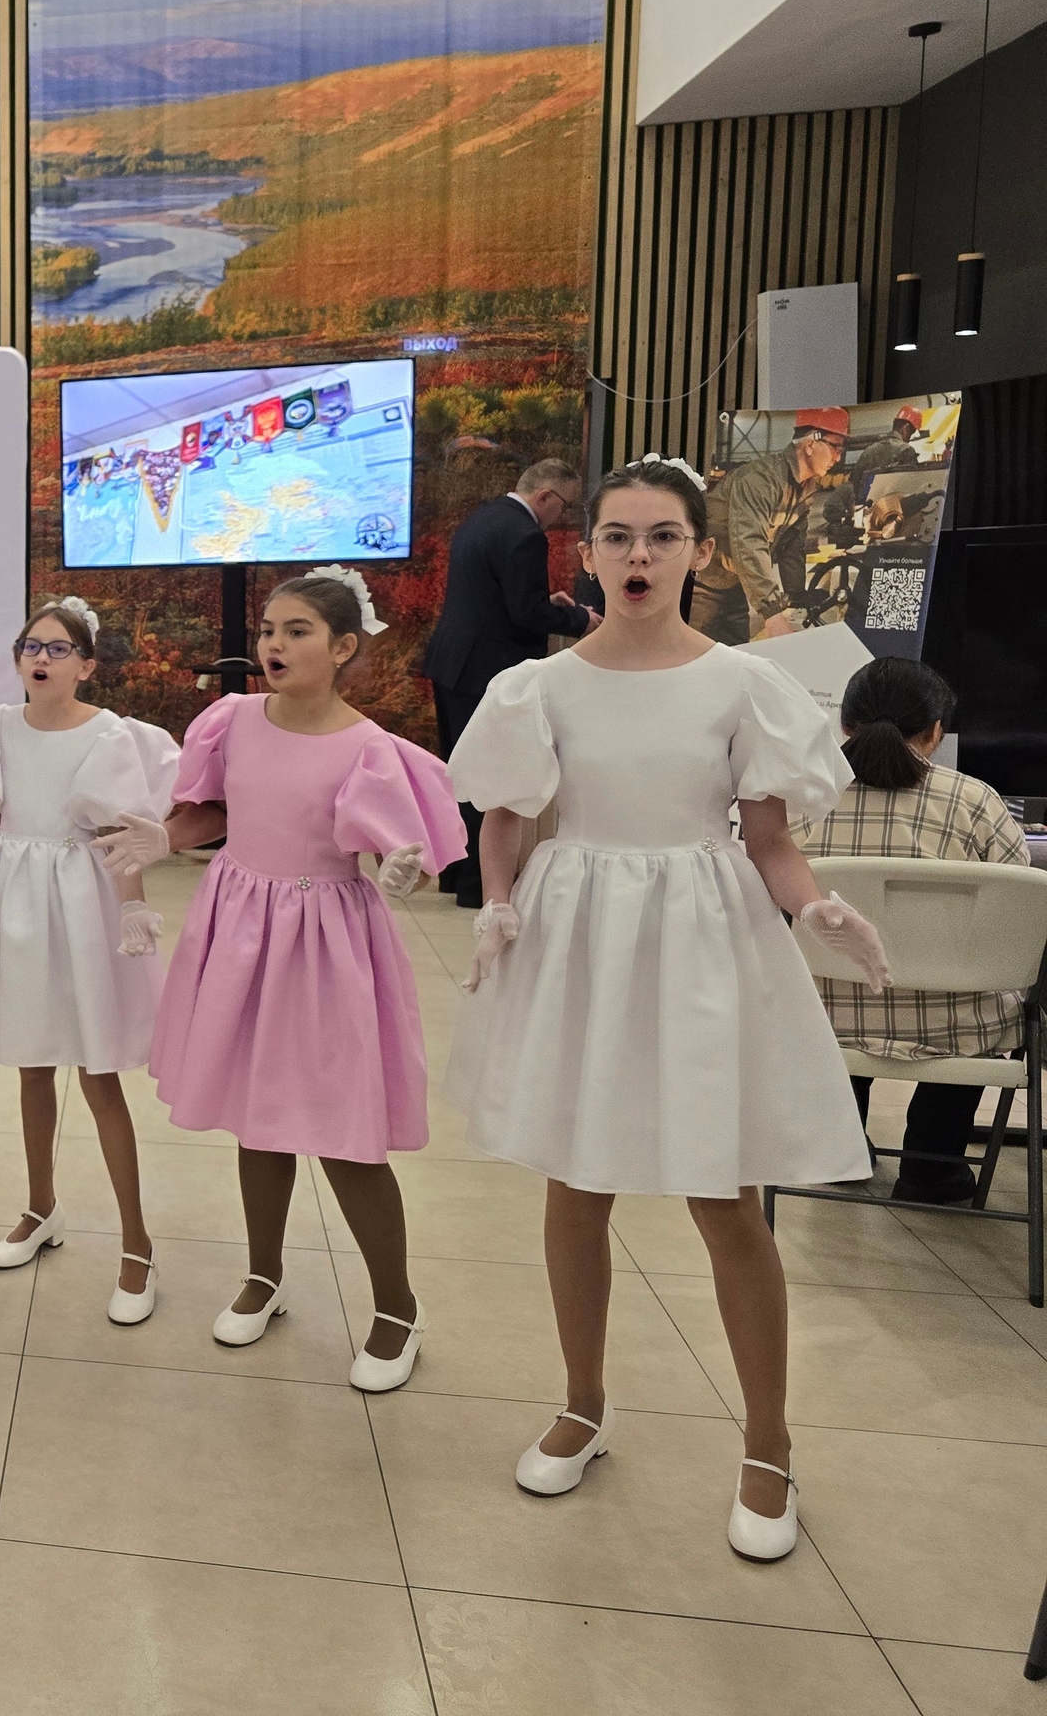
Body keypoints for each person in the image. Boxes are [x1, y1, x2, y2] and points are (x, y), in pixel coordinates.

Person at [449, 455, 893, 1563]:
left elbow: (769, 838)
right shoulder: (539, 687)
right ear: (587, 552)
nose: (638, 555)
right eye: (617, 536)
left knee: (722, 1192)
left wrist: (815, 907)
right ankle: (582, 1403)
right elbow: (507, 817)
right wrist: (496, 902)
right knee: (575, 1180)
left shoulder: (740, 683)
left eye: (660, 536)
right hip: (580, 929)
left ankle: (768, 1443)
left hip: (698, 930)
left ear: (698, 550)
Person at [99, 569, 465, 1391]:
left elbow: (395, 850)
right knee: (257, 1119)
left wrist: (398, 868)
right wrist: (165, 838)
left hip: (326, 942)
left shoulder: (370, 749)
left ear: (342, 648)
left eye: (297, 631)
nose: (274, 643)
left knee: (343, 1133)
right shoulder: (232, 721)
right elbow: (214, 811)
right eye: (269, 629)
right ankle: (264, 1274)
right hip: (241, 928)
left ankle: (396, 1307)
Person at [0, 598, 180, 1323]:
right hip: (16, 901)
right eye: (31, 646)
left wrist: (131, 905)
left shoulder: (112, 736)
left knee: (98, 1075)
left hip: (80, 902)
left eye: (59, 648)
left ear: (87, 665)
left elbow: (120, 829)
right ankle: (40, 1208)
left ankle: (137, 1244)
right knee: (32, 1065)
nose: (41, 658)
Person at [800, 657, 1029, 1204]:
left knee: (835, 989)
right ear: (934, 731)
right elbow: (1020, 917)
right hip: (956, 1024)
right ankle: (931, 1168)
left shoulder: (803, 797)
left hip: (820, 1019)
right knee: (975, 1003)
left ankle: (839, 1150)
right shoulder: (976, 802)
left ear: (844, 724)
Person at [422, 458, 594, 905]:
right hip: (487, 669)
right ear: (545, 496)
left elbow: (492, 596)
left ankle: (456, 875)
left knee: (459, 775)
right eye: (564, 506)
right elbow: (526, 613)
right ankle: (477, 887)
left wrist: (545, 602)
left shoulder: (481, 519)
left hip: (453, 662)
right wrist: (581, 619)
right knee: (489, 776)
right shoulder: (525, 534)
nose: (561, 517)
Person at [712, 407, 848, 642]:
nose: (838, 457)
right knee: (694, 656)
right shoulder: (760, 480)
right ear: (810, 444)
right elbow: (749, 542)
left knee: (736, 650)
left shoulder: (806, 487)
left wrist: (797, 599)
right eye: (835, 446)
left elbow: (792, 545)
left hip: (735, 581)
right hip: (703, 582)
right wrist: (772, 613)